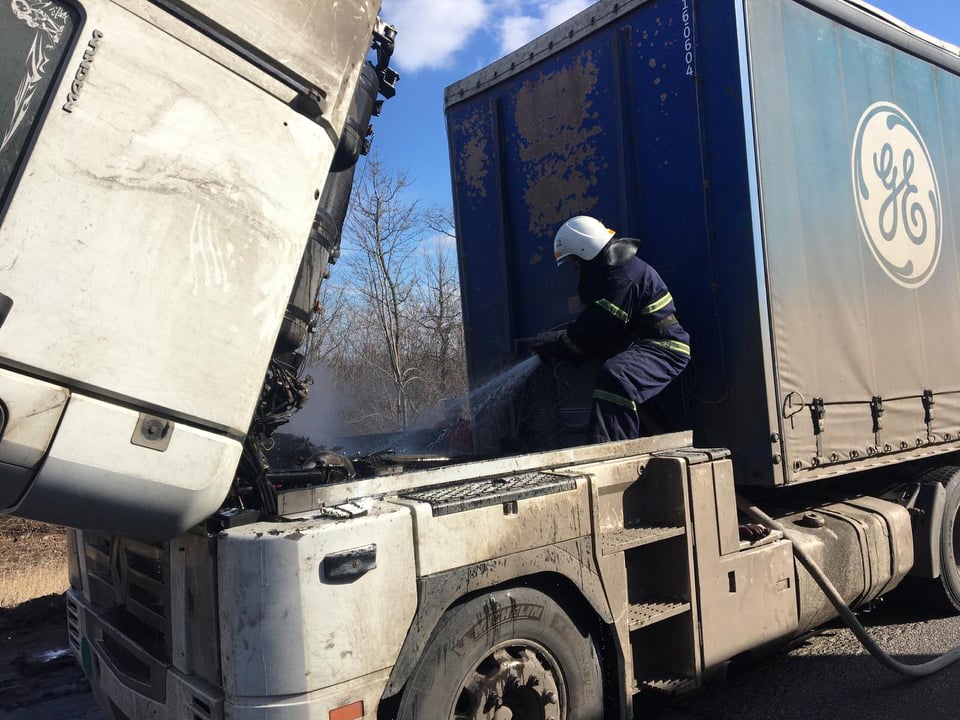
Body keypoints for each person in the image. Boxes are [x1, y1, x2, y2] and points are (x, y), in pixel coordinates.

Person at [532, 215, 690, 443]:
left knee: (616, 375)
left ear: (586, 250)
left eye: (575, 259)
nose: (575, 266)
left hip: (665, 347)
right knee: (617, 376)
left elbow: (596, 329)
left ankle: (613, 452)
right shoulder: (614, 271)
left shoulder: (621, 277)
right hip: (644, 344)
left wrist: (557, 348)